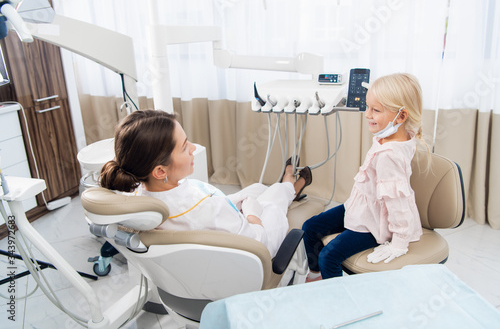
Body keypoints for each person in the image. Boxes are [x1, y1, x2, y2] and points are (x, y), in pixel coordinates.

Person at [99, 109, 312, 257]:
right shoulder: (209, 209)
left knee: (257, 188)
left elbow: (204, 210)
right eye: (184, 147)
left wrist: (237, 203)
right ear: (160, 171)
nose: (192, 148)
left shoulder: (135, 197)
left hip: (217, 223)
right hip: (252, 250)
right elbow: (260, 244)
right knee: (273, 202)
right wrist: (252, 214)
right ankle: (289, 185)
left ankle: (284, 188)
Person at [302, 73, 425, 281]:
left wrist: (400, 241)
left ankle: (340, 301)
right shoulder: (391, 135)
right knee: (311, 228)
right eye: (368, 107)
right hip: (362, 207)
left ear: (401, 116)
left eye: (375, 110)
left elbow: (397, 200)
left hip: (376, 221)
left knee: (329, 257)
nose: (367, 114)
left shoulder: (390, 156)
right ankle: (315, 277)